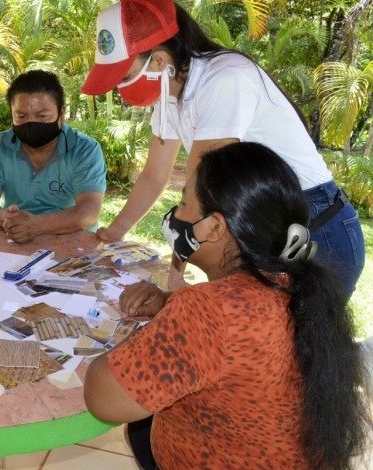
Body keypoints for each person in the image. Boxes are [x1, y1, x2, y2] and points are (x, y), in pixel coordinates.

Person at [84, 142, 370, 469]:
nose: (174, 215)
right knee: (142, 428)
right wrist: (169, 306)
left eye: (182, 203)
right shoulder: (295, 284)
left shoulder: (211, 310)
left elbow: (102, 398)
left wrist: (152, 333)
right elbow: (235, 343)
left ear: (215, 227)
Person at [81, 0, 364, 296]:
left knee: (294, 339)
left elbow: (200, 194)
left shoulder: (225, 79)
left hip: (315, 225)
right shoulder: (170, 94)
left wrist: (176, 274)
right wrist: (112, 235)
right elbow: (154, 175)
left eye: (123, 78)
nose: (120, 90)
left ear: (159, 62)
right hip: (267, 221)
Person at [0, 70, 107, 243]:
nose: (31, 123)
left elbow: (89, 212)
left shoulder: (85, 149)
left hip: (71, 240)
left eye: (42, 116)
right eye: (21, 116)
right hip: (14, 237)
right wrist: (4, 218)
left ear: (61, 115)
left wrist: (38, 225)